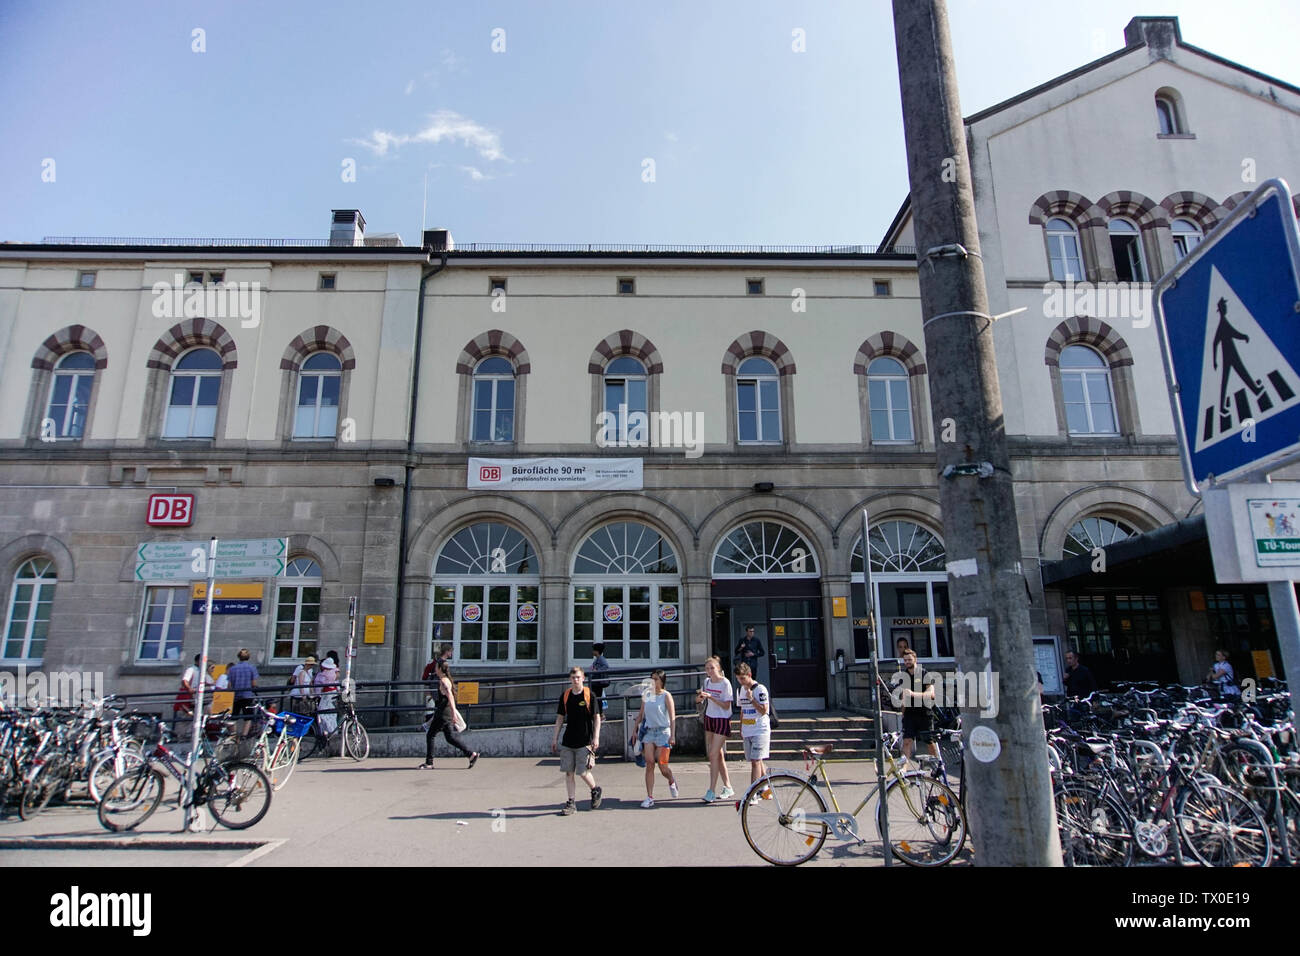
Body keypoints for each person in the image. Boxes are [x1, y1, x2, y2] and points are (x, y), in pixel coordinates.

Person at [551, 666, 602, 815]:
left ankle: (595, 789)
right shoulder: (566, 696)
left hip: (584, 740)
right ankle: (571, 802)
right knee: (568, 772)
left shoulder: (589, 695)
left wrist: (596, 737)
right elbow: (560, 717)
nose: (575, 680)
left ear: (583, 678)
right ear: (570, 679)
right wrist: (555, 738)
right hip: (568, 740)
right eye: (573, 678)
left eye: (578, 677)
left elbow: (596, 717)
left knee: (583, 772)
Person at [418, 660, 479, 769]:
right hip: (445, 712)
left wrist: (454, 713)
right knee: (450, 737)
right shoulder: (445, 680)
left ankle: (429, 762)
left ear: (440, 669)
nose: (435, 669)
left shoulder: (443, 681)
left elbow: (450, 696)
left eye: (436, 667)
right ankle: (471, 754)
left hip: (443, 713)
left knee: (431, 735)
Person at [633, 669, 678, 807]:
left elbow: (672, 717)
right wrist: (635, 730)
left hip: (663, 732)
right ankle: (650, 796)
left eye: (656, 679)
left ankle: (671, 780)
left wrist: (673, 735)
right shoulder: (647, 695)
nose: (653, 682)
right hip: (650, 731)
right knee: (650, 762)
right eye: (652, 679)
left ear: (662, 681)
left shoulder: (666, 695)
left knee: (662, 765)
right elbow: (641, 714)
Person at [696, 655, 735, 803]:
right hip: (709, 717)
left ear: (718, 668)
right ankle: (728, 786)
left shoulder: (725, 683)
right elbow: (699, 700)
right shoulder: (706, 682)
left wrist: (711, 697)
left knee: (712, 755)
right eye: (707, 668)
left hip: (722, 719)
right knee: (716, 754)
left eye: (712, 668)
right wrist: (700, 698)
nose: (709, 671)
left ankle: (711, 790)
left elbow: (726, 705)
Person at [734, 663, 771, 801]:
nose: (741, 681)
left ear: (749, 675)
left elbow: (763, 710)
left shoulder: (759, 689)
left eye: (743, 678)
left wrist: (751, 699)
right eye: (738, 678)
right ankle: (765, 788)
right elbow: (743, 709)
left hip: (760, 729)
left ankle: (752, 794)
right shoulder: (741, 690)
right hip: (748, 729)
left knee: (755, 761)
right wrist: (741, 726)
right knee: (757, 760)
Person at [898, 650, 939, 763]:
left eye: (909, 660)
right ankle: (903, 771)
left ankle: (937, 768)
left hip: (924, 713)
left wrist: (912, 694)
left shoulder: (924, 673)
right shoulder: (904, 676)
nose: (907, 662)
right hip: (910, 714)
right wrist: (903, 713)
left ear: (915, 660)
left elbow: (931, 694)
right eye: (905, 660)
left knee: (929, 741)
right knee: (907, 741)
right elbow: (904, 698)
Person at [228, 649, 260, 733]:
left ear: (238, 657)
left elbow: (229, 685)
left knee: (233, 716)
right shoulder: (252, 668)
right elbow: (253, 683)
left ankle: (233, 735)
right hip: (247, 695)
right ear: (248, 657)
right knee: (248, 717)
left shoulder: (232, 669)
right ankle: (244, 735)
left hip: (235, 696)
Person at [314, 657, 340, 736]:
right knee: (332, 713)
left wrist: (317, 694)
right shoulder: (335, 672)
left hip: (326, 693)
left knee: (322, 712)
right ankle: (333, 729)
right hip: (333, 692)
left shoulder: (323, 674)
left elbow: (319, 686)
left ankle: (325, 729)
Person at [172, 654, 202, 719]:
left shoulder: (200, 671)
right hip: (187, 698)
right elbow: (184, 681)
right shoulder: (191, 669)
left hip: (193, 699)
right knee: (184, 721)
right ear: (197, 661)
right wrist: (190, 689)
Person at [590, 643, 611, 713]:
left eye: (593, 650)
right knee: (596, 697)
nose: (592, 652)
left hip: (598, 682)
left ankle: (599, 713)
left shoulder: (601, 659)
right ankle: (597, 712)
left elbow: (606, 666)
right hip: (595, 682)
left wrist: (597, 671)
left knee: (597, 697)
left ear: (597, 651)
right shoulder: (598, 659)